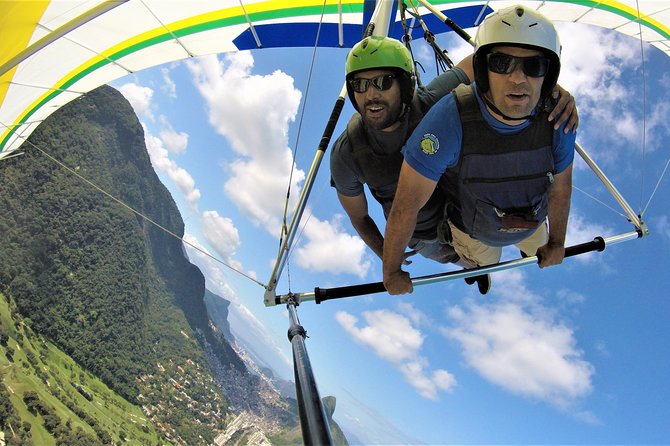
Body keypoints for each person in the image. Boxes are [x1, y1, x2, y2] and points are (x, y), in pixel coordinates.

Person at [382, 5, 576, 295]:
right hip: (475, 232)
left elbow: (560, 189)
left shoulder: (557, 116)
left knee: (536, 247)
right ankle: (476, 270)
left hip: (530, 223)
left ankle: (526, 253)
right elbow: (406, 206)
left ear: (547, 76)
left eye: (534, 66)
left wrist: (557, 243)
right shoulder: (449, 120)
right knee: (483, 261)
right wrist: (391, 270)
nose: (518, 78)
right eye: (501, 63)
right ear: (482, 69)